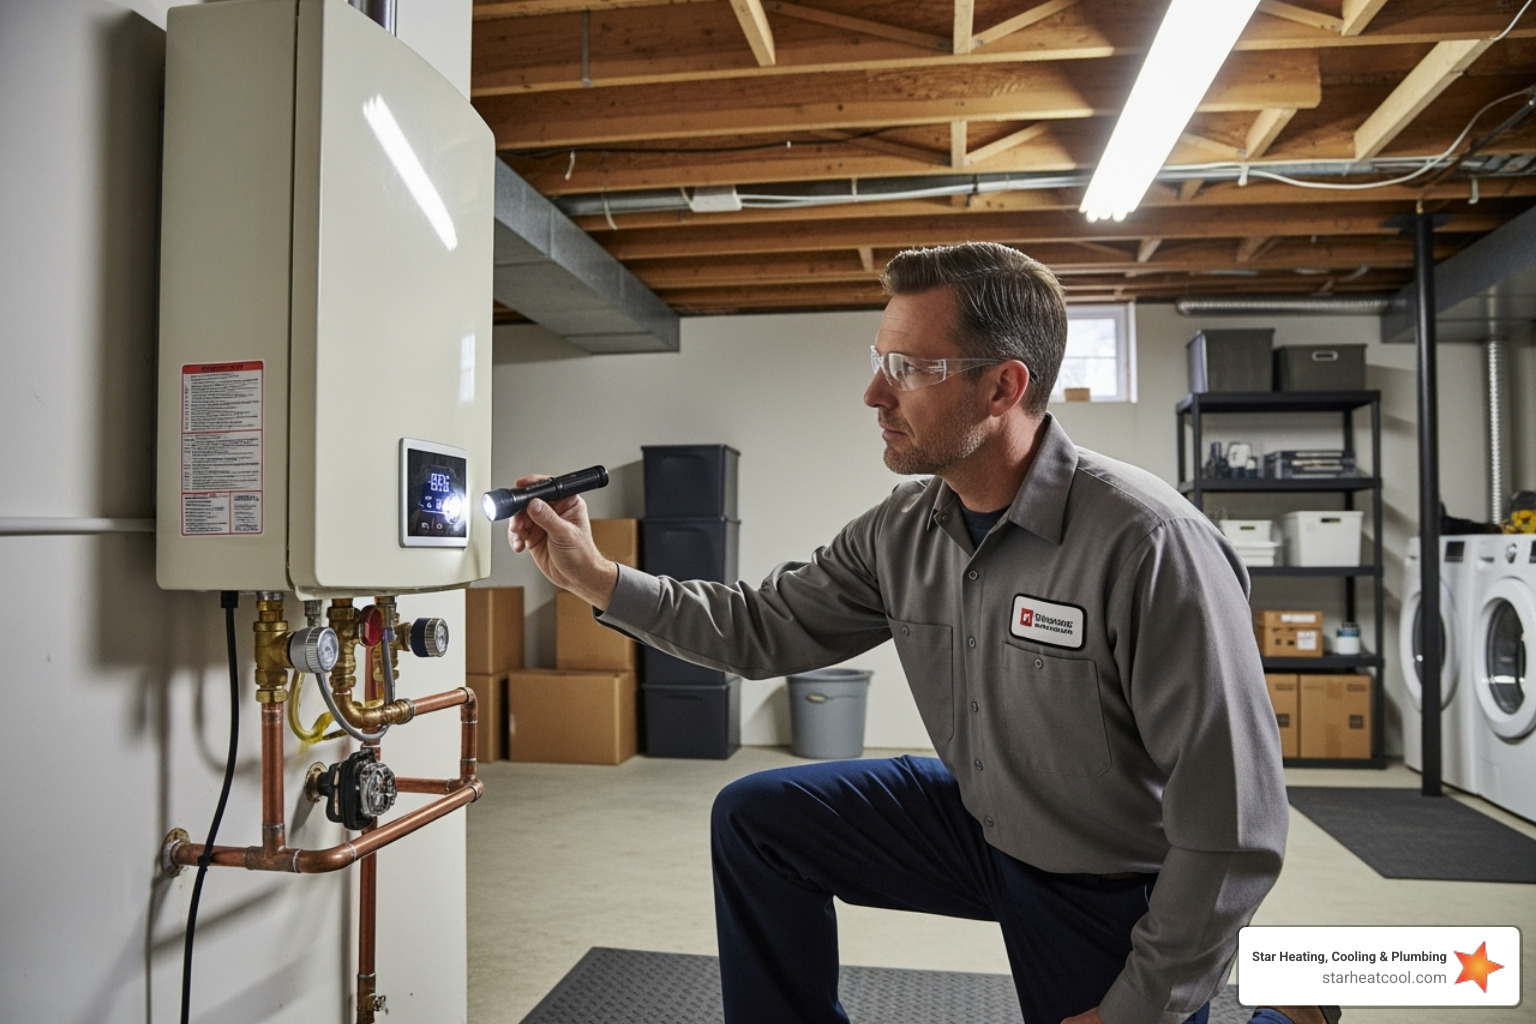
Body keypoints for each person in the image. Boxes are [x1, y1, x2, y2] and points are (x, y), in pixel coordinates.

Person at [506, 242, 1335, 1024]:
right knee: (759, 818)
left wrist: (1134, 1010)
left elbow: (1234, 822)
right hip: (984, 819)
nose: (875, 393)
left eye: (909, 369)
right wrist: (595, 576)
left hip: (1110, 873)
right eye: (880, 361)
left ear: (1003, 387)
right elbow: (763, 627)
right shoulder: (904, 528)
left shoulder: (1149, 543)